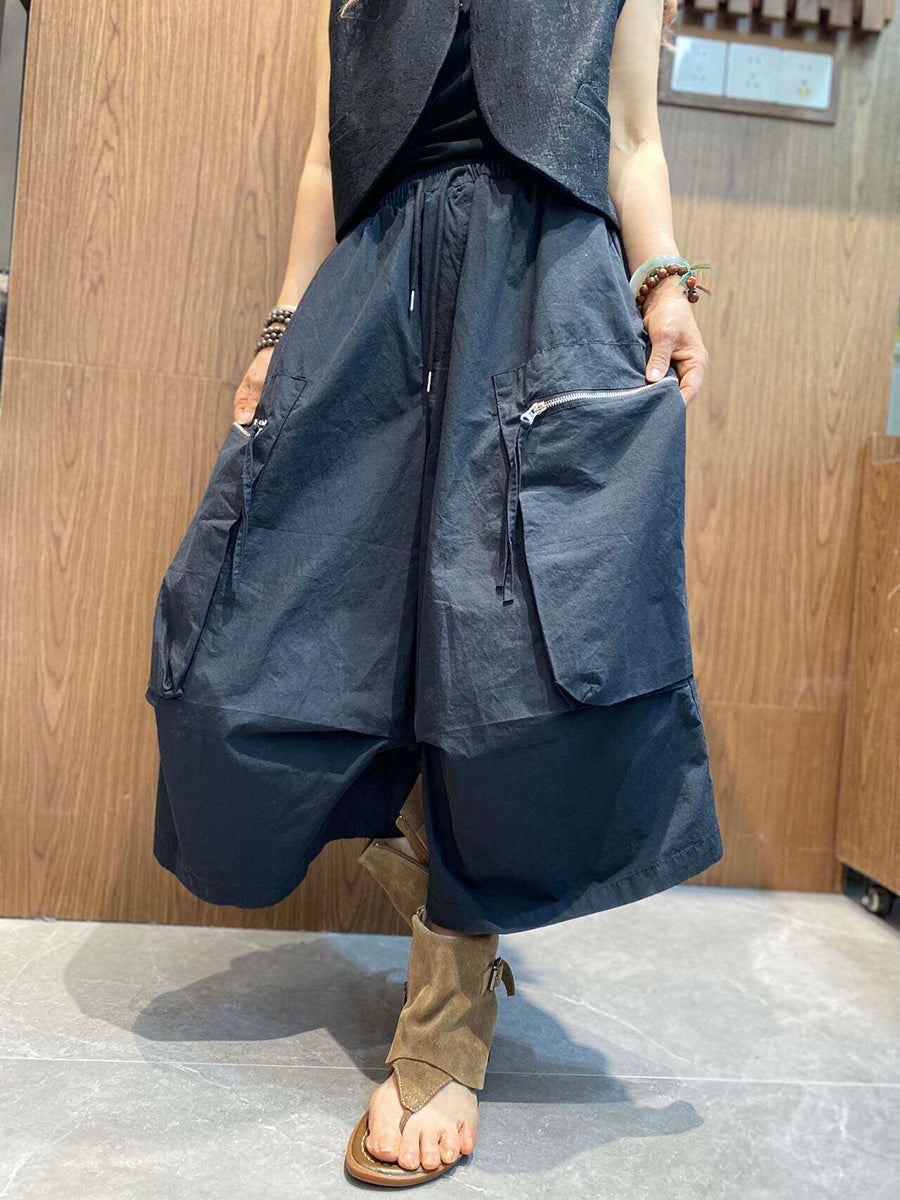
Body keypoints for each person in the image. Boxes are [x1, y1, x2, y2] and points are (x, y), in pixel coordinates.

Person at [145, 0, 723, 1187]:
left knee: (509, 663)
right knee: (262, 642)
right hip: (374, 290)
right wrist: (281, 327)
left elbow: (631, 136)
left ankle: (446, 1017)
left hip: (549, 287)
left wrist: (663, 281)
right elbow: (326, 156)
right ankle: (446, 898)